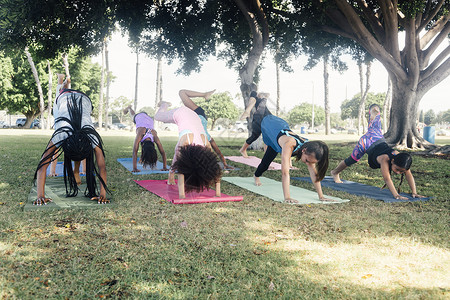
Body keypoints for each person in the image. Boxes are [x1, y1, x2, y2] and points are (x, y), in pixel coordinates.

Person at [240, 91, 331, 203]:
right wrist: (287, 197)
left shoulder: (310, 148)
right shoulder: (290, 144)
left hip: (277, 132)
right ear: (304, 150)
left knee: (265, 163)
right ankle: (253, 101)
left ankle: (259, 98)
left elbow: (314, 174)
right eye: (307, 160)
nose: (308, 163)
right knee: (259, 115)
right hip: (268, 125)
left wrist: (321, 196)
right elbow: (285, 172)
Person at [331, 104, 426, 200]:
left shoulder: (402, 159)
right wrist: (396, 195)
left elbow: (408, 174)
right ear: (392, 161)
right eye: (397, 169)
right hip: (366, 143)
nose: (398, 173)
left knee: (374, 128)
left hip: (377, 137)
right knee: (352, 159)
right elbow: (387, 179)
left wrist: (414, 192)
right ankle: (335, 172)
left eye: (401, 171)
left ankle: (374, 115)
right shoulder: (385, 159)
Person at [33, 89, 109, 205]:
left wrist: (103, 194)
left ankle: (76, 171)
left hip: (83, 100)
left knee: (78, 149)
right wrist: (40, 196)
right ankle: (75, 171)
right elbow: (42, 165)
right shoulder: (61, 134)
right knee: (75, 147)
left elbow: (102, 167)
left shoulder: (91, 135)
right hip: (63, 99)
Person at [154, 96, 222, 199]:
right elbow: (178, 162)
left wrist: (218, 194)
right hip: (181, 113)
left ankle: (165, 104)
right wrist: (171, 176)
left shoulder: (206, 145)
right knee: (158, 117)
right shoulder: (186, 141)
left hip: (194, 116)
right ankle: (165, 104)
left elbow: (215, 169)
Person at [178, 89, 234, 170]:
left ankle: (204, 94)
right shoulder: (208, 139)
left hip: (192, 117)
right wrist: (225, 165)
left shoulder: (192, 142)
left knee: (182, 93)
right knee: (182, 93)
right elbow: (218, 153)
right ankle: (205, 94)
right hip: (199, 115)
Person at [48, 74, 86, 179]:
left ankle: (65, 82)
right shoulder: (63, 133)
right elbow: (54, 150)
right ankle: (64, 81)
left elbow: (82, 149)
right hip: (65, 108)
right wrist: (52, 171)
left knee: (61, 94)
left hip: (67, 107)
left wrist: (84, 170)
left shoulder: (71, 133)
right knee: (61, 95)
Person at [122, 105, 167, 172]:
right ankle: (129, 108)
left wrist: (165, 167)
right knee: (133, 117)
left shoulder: (152, 135)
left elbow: (135, 152)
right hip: (142, 117)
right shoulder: (144, 134)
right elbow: (135, 152)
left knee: (134, 118)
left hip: (147, 119)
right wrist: (134, 168)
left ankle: (130, 108)